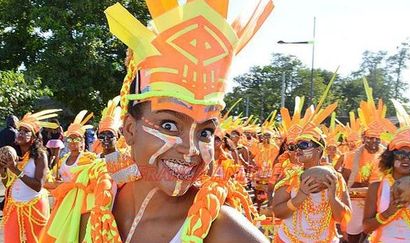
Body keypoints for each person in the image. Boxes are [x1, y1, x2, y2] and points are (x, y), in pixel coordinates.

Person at [40, 1, 273, 242]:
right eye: (169, 125)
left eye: (205, 132)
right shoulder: (86, 204)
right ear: (129, 129)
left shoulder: (224, 230)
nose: (191, 149)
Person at [272, 102, 352, 242]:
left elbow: (343, 218)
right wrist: (300, 196)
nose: (298, 149)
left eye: (304, 145)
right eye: (297, 145)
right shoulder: (290, 175)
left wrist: (333, 198)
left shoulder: (335, 178)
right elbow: (278, 212)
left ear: (319, 149)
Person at [363, 100, 410, 242]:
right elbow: (366, 228)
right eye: (401, 154)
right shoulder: (377, 187)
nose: (406, 159)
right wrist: (388, 212)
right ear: (391, 156)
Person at [340, 83, 397, 243]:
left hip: (381, 201)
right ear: (364, 138)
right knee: (353, 236)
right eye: (370, 138)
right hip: (357, 201)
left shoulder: (387, 155)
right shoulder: (352, 156)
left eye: (377, 138)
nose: (373, 141)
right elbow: (345, 182)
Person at [0, 109, 60, 243]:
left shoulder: (40, 155)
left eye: (26, 131)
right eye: (19, 130)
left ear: (33, 138)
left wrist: (15, 170)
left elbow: (38, 186)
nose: (20, 133)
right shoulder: (15, 156)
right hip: (14, 206)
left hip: (35, 207)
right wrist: (3, 171)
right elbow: (8, 184)